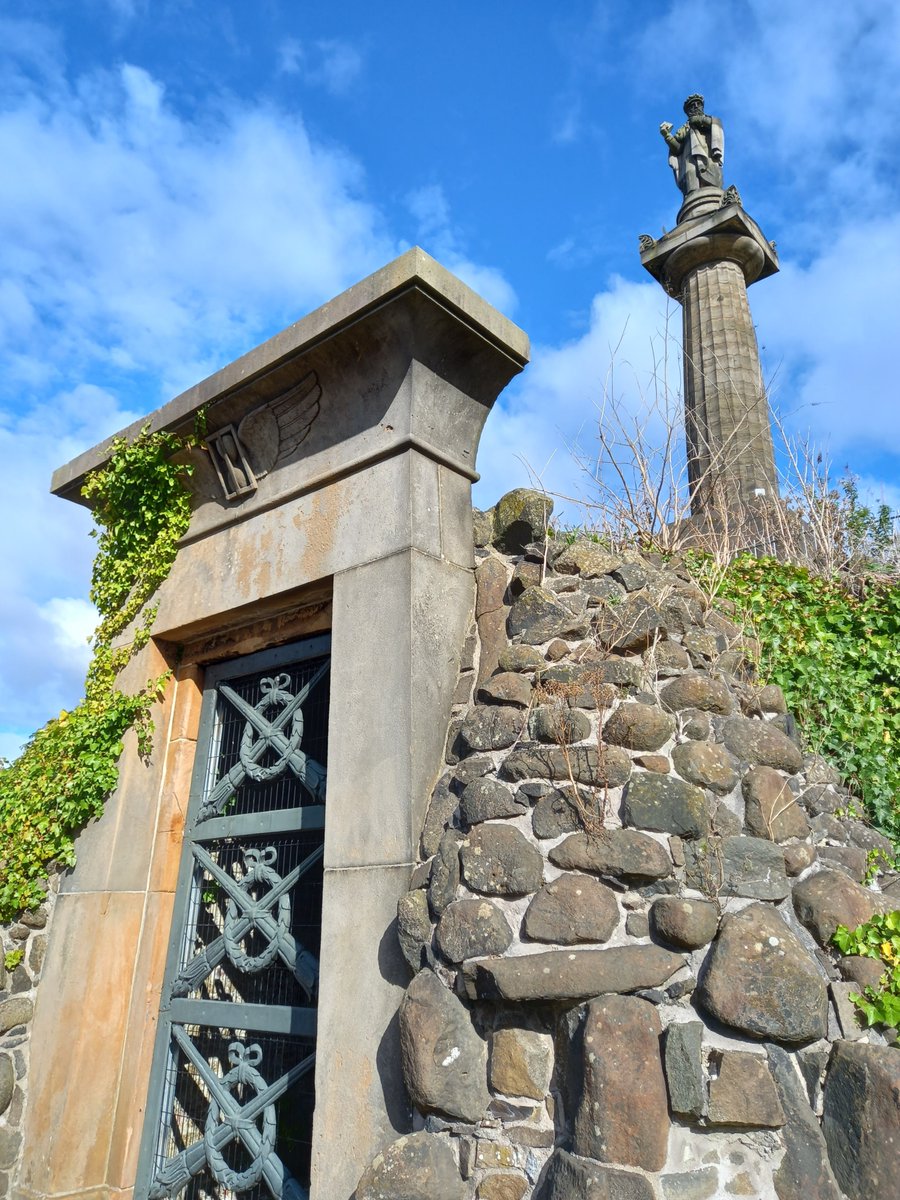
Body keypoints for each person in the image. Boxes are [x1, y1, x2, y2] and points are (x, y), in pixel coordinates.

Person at [660, 94, 724, 196]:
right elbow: (678, 149)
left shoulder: (709, 120)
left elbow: (715, 124)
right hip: (688, 159)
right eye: (692, 105)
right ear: (688, 111)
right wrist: (667, 136)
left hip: (707, 156)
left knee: (711, 183)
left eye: (698, 104)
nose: (695, 106)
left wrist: (699, 120)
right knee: (692, 186)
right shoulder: (684, 129)